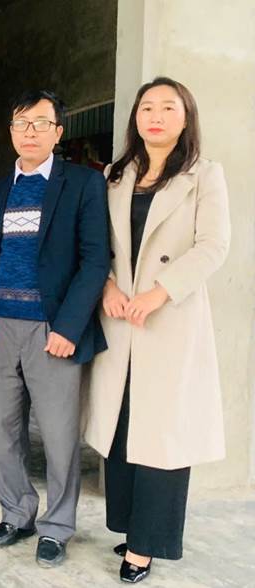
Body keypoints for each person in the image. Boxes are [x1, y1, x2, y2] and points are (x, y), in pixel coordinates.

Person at [83, 77, 230, 584]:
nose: (156, 116)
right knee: (124, 425)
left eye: (168, 107)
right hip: (120, 316)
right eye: (147, 107)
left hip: (168, 318)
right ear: (136, 117)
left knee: (164, 435)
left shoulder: (203, 175)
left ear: (185, 118)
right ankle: (131, 527)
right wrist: (106, 286)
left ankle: (146, 545)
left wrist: (160, 292)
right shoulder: (115, 174)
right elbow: (98, 243)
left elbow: (213, 245)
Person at [0, 90, 110, 568]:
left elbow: (96, 260)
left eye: (41, 123)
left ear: (58, 131)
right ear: (11, 131)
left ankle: (57, 526)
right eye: (21, 123)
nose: (30, 132)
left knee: (58, 435)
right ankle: (16, 514)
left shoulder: (83, 184)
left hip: (53, 328)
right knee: (3, 431)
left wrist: (69, 326)